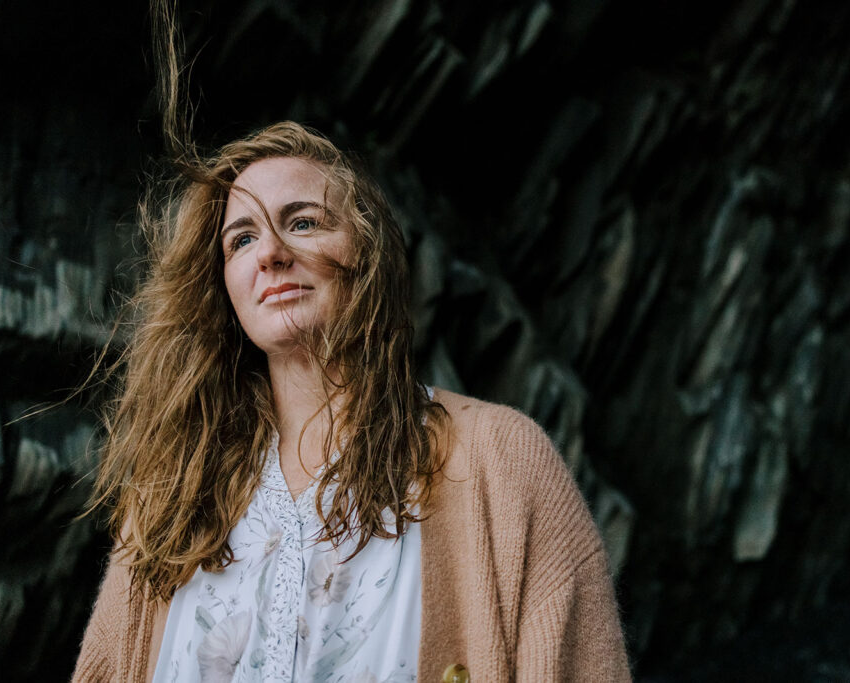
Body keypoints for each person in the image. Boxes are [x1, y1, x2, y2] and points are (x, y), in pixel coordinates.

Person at [71, 122, 631, 682]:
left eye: (304, 222)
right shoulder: (174, 488)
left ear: (368, 252)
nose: (270, 253)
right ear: (223, 285)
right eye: (241, 239)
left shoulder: (501, 458)